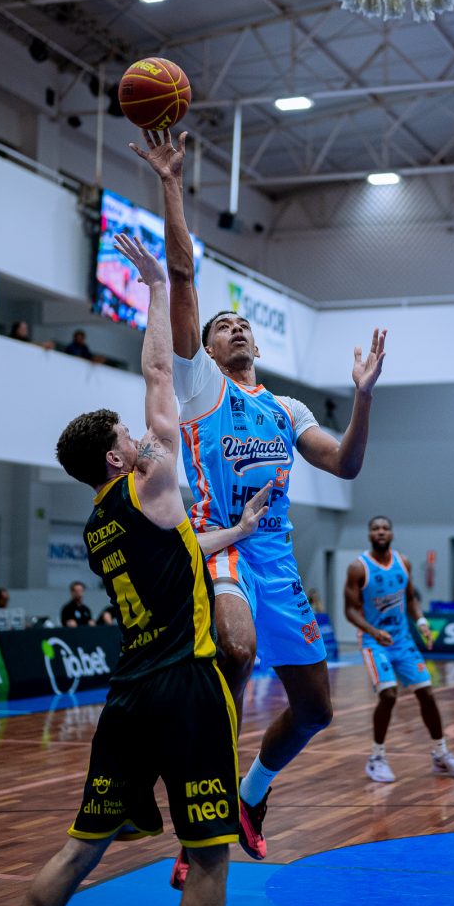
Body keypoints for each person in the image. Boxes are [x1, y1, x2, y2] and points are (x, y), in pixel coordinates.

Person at [5, 232, 271, 906]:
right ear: (116, 457)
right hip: (187, 685)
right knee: (209, 859)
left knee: (79, 851)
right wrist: (157, 287)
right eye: (128, 434)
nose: (139, 436)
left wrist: (238, 530)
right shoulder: (149, 481)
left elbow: (179, 549)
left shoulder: (101, 525)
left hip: (127, 695)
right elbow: (159, 371)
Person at [130, 127, 386, 868]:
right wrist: (172, 182)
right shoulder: (199, 386)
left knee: (315, 710)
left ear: (257, 346)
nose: (235, 327)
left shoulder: (286, 409)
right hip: (220, 547)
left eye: (242, 323)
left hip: (275, 555)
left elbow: (345, 465)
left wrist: (363, 396)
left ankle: (248, 795)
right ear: (206, 350)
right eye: (222, 326)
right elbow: (183, 275)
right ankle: (202, 815)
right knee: (235, 648)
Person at [344, 515, 454, 783]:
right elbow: (350, 611)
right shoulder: (358, 567)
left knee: (426, 693)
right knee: (388, 694)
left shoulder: (404, 562)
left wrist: (422, 622)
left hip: (402, 640)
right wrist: (372, 631)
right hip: (374, 642)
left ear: (391, 533)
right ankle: (376, 758)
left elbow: (411, 599)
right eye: (375, 528)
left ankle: (441, 755)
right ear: (369, 534)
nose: (381, 532)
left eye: (385, 528)